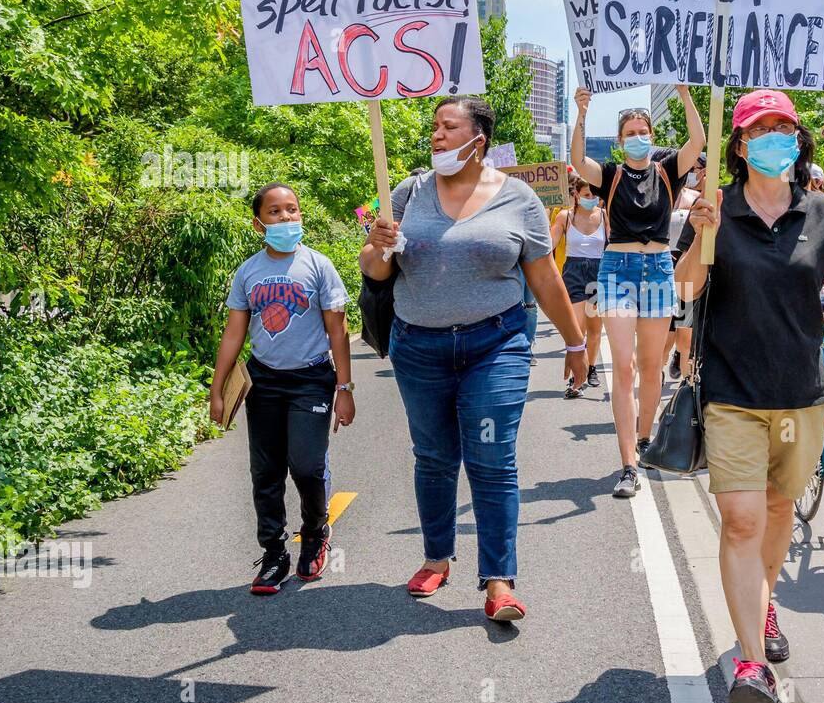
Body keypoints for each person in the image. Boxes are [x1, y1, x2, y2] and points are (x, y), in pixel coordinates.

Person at [675, 89, 824, 703]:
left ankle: (763, 597)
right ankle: (750, 663)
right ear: (740, 143)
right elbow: (687, 288)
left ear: (798, 139)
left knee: (780, 512)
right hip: (732, 396)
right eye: (762, 127)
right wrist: (702, 235)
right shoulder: (716, 208)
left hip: (803, 395)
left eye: (785, 126)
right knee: (744, 521)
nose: (776, 136)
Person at [362, 96, 587, 622]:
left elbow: (545, 278)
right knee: (435, 457)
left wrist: (575, 344)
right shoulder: (407, 192)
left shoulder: (519, 199)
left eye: (448, 126)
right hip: (419, 348)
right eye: (434, 127)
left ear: (477, 140)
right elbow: (375, 272)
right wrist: (377, 247)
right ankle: (436, 556)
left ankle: (499, 580)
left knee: (491, 459)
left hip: (496, 345)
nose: (436, 135)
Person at [210, 182, 354, 594]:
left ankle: (314, 534)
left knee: (307, 466)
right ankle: (274, 553)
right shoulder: (249, 272)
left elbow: (338, 330)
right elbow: (234, 333)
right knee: (266, 472)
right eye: (274, 212)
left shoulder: (319, 266)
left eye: (292, 209)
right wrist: (217, 388)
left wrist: (344, 387)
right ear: (259, 224)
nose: (285, 217)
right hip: (265, 381)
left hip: (311, 379)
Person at [570, 84, 706, 498]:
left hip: (660, 269)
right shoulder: (610, 174)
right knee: (624, 368)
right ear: (619, 140)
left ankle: (645, 439)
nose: (636, 137)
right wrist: (581, 112)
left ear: (650, 134)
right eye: (628, 132)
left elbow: (697, 141)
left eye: (641, 130)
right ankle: (628, 463)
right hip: (617, 269)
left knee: (651, 366)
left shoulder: (667, 169)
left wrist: (684, 95)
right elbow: (577, 161)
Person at [550, 172, 608, 395]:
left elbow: (613, 244)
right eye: (586, 194)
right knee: (577, 328)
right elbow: (550, 241)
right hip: (573, 272)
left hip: (598, 271)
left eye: (594, 194)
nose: (591, 198)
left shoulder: (604, 216)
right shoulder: (565, 216)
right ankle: (576, 379)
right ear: (576, 195)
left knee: (595, 328)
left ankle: (591, 368)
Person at [665, 153, 705, 381]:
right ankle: (661, 367)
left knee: (685, 335)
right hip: (668, 271)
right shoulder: (668, 192)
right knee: (668, 337)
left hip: (693, 277)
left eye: (696, 167)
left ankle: (687, 379)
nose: (692, 171)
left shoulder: (707, 201)